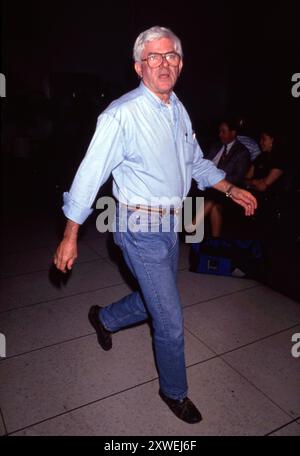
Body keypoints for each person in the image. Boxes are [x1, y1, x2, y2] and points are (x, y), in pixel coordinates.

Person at [53, 26, 257, 424]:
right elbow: (88, 175)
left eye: (171, 56)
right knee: (170, 318)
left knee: (155, 300)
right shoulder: (121, 114)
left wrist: (230, 189)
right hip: (136, 225)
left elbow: (196, 163)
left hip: (170, 223)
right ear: (138, 67)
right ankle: (174, 391)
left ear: (180, 63)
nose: (164, 64)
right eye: (154, 58)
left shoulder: (177, 108)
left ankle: (105, 317)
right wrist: (69, 235)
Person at [192, 120, 251, 237]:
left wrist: (217, 181)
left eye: (223, 132)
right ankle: (207, 240)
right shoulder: (216, 145)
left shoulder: (242, 152)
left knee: (213, 199)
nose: (220, 135)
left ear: (233, 133)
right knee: (212, 204)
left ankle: (192, 226)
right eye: (219, 131)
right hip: (207, 185)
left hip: (227, 191)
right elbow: (203, 164)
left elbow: (237, 178)